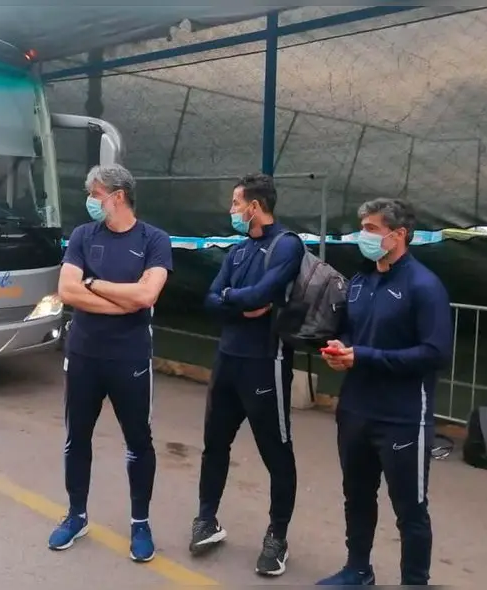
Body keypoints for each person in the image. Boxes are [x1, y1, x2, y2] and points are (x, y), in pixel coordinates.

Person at [315, 198, 453, 586]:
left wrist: (365, 356)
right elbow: (348, 333)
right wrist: (340, 350)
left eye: (372, 229)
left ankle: (414, 581)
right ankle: (358, 570)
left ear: (399, 235)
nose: (364, 235)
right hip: (356, 410)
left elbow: (436, 352)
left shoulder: (424, 286)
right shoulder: (360, 282)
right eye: (363, 227)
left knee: (410, 508)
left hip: (403, 416)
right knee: (357, 496)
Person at [49, 164, 173, 563]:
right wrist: (121, 301)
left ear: (118, 196)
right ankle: (76, 515)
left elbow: (146, 295)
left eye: (95, 192)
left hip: (130, 358)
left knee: (138, 442)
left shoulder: (154, 239)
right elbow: (67, 290)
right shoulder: (84, 236)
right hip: (84, 355)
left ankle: (140, 523)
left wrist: (94, 283)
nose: (90, 199)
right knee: (76, 438)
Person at [190, 173, 304, 577]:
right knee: (214, 444)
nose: (232, 211)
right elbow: (210, 299)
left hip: (264, 363)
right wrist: (240, 303)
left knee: (276, 453)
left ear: (255, 207)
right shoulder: (239, 251)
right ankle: (206, 520)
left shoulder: (287, 244)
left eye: (236, 204)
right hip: (227, 360)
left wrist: (234, 300)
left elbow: (262, 296)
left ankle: (277, 538)